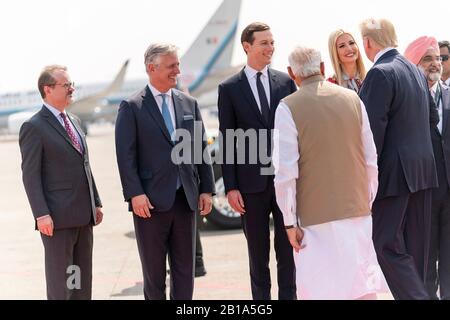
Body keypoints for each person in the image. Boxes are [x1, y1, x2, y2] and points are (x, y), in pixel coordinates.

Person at [273, 46, 388, 300]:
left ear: (292, 73)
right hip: (357, 208)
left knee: (320, 290)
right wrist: (366, 200)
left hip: (313, 217)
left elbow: (285, 172)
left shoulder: (288, 107)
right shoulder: (352, 99)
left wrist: (289, 221)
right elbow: (371, 159)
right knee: (361, 287)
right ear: (323, 68)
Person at [115, 43, 215, 300]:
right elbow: (126, 157)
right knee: (154, 276)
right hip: (150, 203)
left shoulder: (189, 103)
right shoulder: (132, 107)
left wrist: (207, 189)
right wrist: (134, 194)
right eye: (172, 66)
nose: (177, 71)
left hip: (186, 201)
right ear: (152, 68)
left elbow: (200, 148)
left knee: (185, 273)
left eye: (177, 65)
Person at [359, 18, 439, 300]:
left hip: (394, 175)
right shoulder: (415, 72)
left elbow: (370, 135)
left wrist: (365, 179)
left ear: (368, 42)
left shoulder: (380, 73)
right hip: (424, 173)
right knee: (416, 249)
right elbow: (433, 118)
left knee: (386, 245)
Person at [218, 22, 296, 300]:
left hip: (285, 181)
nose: (270, 48)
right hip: (250, 186)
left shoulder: (286, 82)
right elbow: (227, 139)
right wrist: (231, 187)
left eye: (272, 42)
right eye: (264, 43)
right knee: (258, 256)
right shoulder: (229, 88)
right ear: (247, 47)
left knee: (289, 253)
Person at [19, 65, 103, 300]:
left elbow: (84, 163)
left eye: (71, 84)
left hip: (84, 216)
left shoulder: (74, 120)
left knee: (81, 282)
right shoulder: (34, 127)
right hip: (57, 220)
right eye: (66, 85)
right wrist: (41, 214)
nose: (72, 89)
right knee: (62, 285)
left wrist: (95, 201)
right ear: (48, 89)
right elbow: (30, 175)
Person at [405, 36, 450, 300]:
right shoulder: (407, 98)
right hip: (421, 192)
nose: (435, 63)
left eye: (439, 58)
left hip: (449, 193)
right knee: (424, 261)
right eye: (427, 58)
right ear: (414, 63)